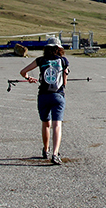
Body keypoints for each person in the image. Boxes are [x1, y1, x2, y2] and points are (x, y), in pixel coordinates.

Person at [19, 37, 69, 165]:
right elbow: (64, 82)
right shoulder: (63, 61)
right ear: (59, 49)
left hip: (43, 95)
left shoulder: (40, 60)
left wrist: (29, 78)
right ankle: (55, 153)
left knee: (46, 123)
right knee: (57, 124)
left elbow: (23, 72)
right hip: (58, 95)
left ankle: (46, 150)